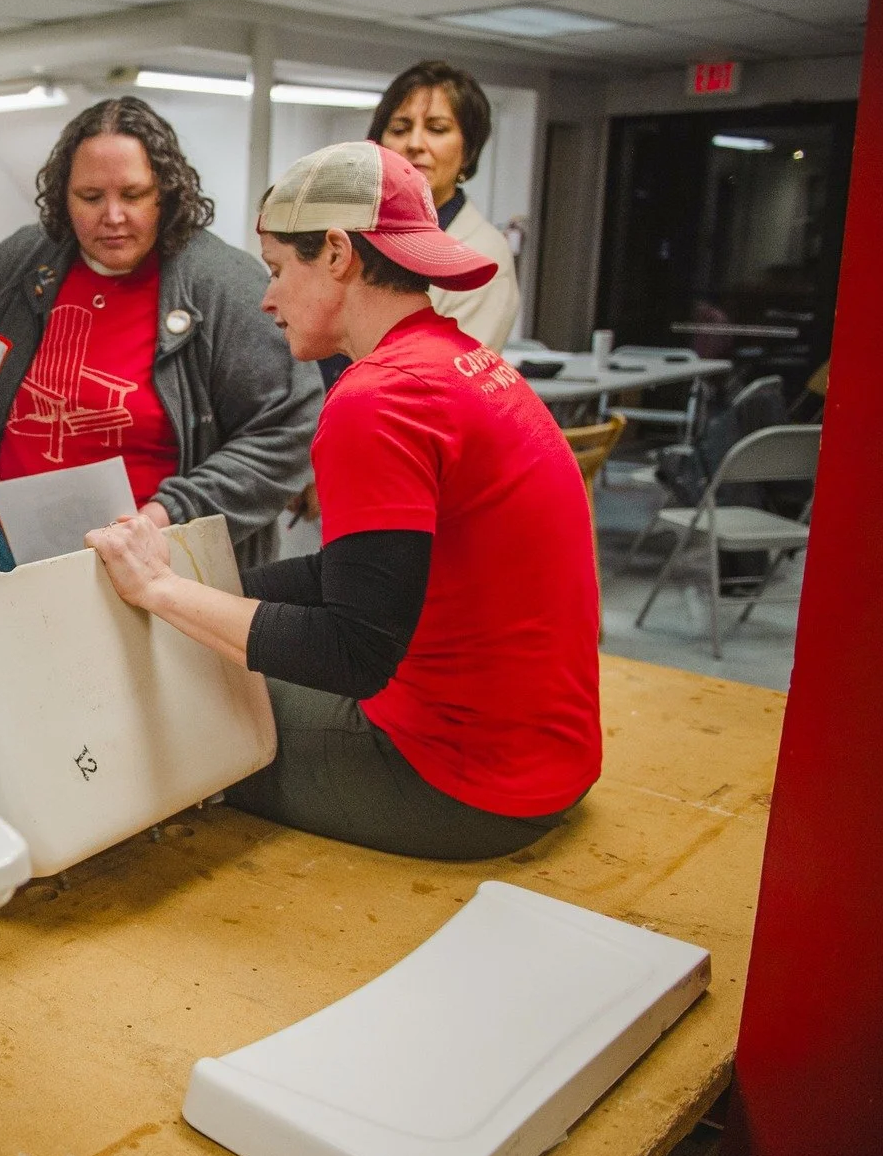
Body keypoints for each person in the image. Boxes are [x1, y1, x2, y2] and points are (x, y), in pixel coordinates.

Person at [86, 141, 598, 861]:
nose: (266, 299)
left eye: (274, 269)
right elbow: (359, 574)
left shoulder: (376, 397)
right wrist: (195, 587)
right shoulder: (460, 364)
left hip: (459, 785)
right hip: (550, 761)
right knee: (217, 656)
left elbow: (355, 652)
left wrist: (163, 592)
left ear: (335, 252)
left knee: (180, 707)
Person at [0, 96, 319, 578]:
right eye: (90, 198)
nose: (112, 216)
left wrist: (170, 515)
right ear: (62, 195)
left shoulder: (225, 285)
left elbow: (288, 425)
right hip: (16, 556)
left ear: (165, 193)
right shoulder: (23, 261)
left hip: (163, 567)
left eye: (132, 195)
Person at [369, 60, 519, 354]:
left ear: (468, 152)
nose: (414, 143)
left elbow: (445, 379)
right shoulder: (364, 232)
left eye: (436, 129)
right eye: (400, 129)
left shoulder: (484, 257)